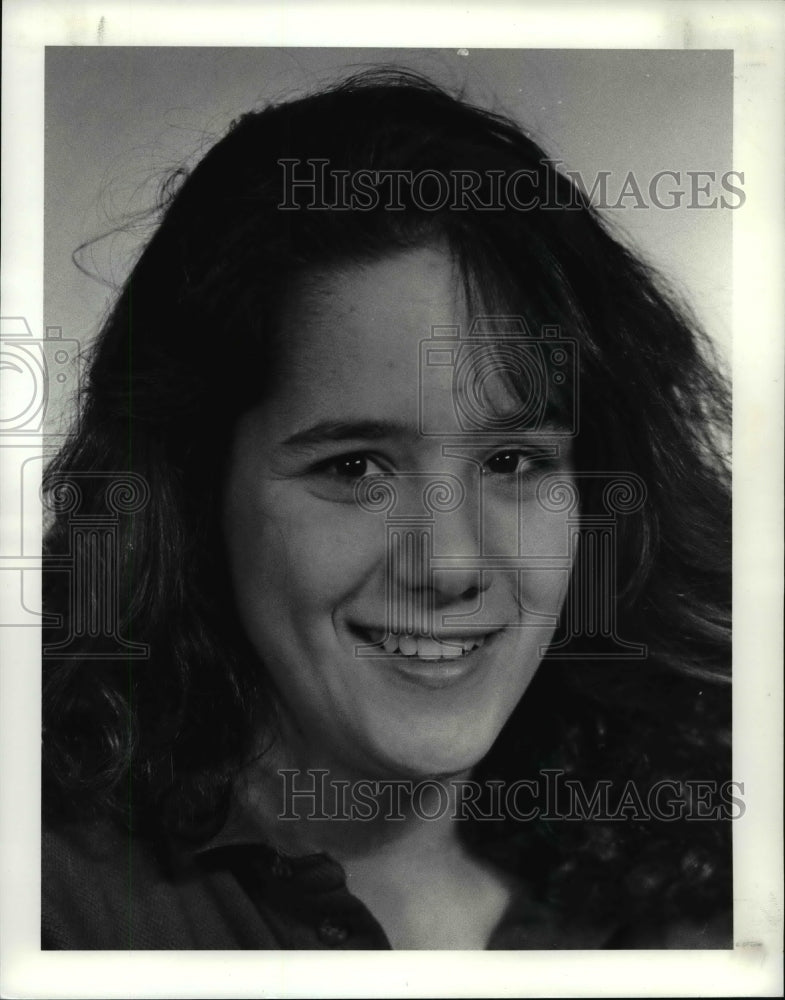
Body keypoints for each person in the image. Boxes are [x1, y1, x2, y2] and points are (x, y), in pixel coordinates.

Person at [41, 69, 732, 950]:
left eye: (514, 460)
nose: (447, 563)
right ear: (192, 495)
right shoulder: (48, 909)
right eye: (356, 465)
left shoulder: (708, 889)